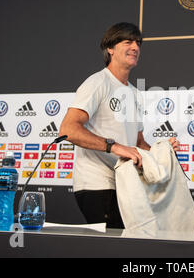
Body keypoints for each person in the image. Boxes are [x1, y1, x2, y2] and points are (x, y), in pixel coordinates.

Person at [59, 22, 180, 228]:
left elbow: (138, 143)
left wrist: (163, 151)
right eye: (128, 41)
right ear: (110, 48)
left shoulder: (135, 93)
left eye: (138, 43)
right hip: (97, 185)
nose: (135, 47)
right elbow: (68, 130)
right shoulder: (97, 82)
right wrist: (114, 146)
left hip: (126, 184)